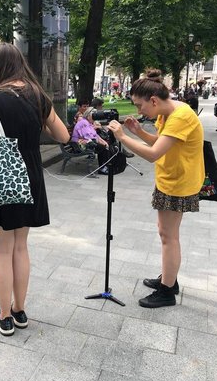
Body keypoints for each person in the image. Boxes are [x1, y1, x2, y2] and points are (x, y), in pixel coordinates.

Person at [0, 43, 70, 336]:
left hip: (1, 179)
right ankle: (20, 310)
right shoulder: (38, 96)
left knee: (3, 251)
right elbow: (62, 135)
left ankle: (3, 316)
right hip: (31, 178)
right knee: (22, 247)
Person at [107, 69, 204, 308]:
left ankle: (167, 291)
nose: (139, 111)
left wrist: (122, 136)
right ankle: (169, 279)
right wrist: (138, 132)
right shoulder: (167, 111)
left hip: (179, 182)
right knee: (166, 233)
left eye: (140, 106)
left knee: (168, 237)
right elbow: (162, 143)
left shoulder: (180, 116)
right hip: (170, 178)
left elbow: (153, 154)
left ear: (153, 100)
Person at [70, 107, 112, 175]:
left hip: (86, 142)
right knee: (102, 147)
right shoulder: (84, 123)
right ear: (88, 115)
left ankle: (105, 166)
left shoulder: (89, 123)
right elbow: (88, 136)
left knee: (105, 145)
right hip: (78, 145)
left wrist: (103, 141)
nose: (95, 117)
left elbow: (95, 135)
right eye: (94, 115)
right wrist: (102, 143)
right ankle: (102, 168)